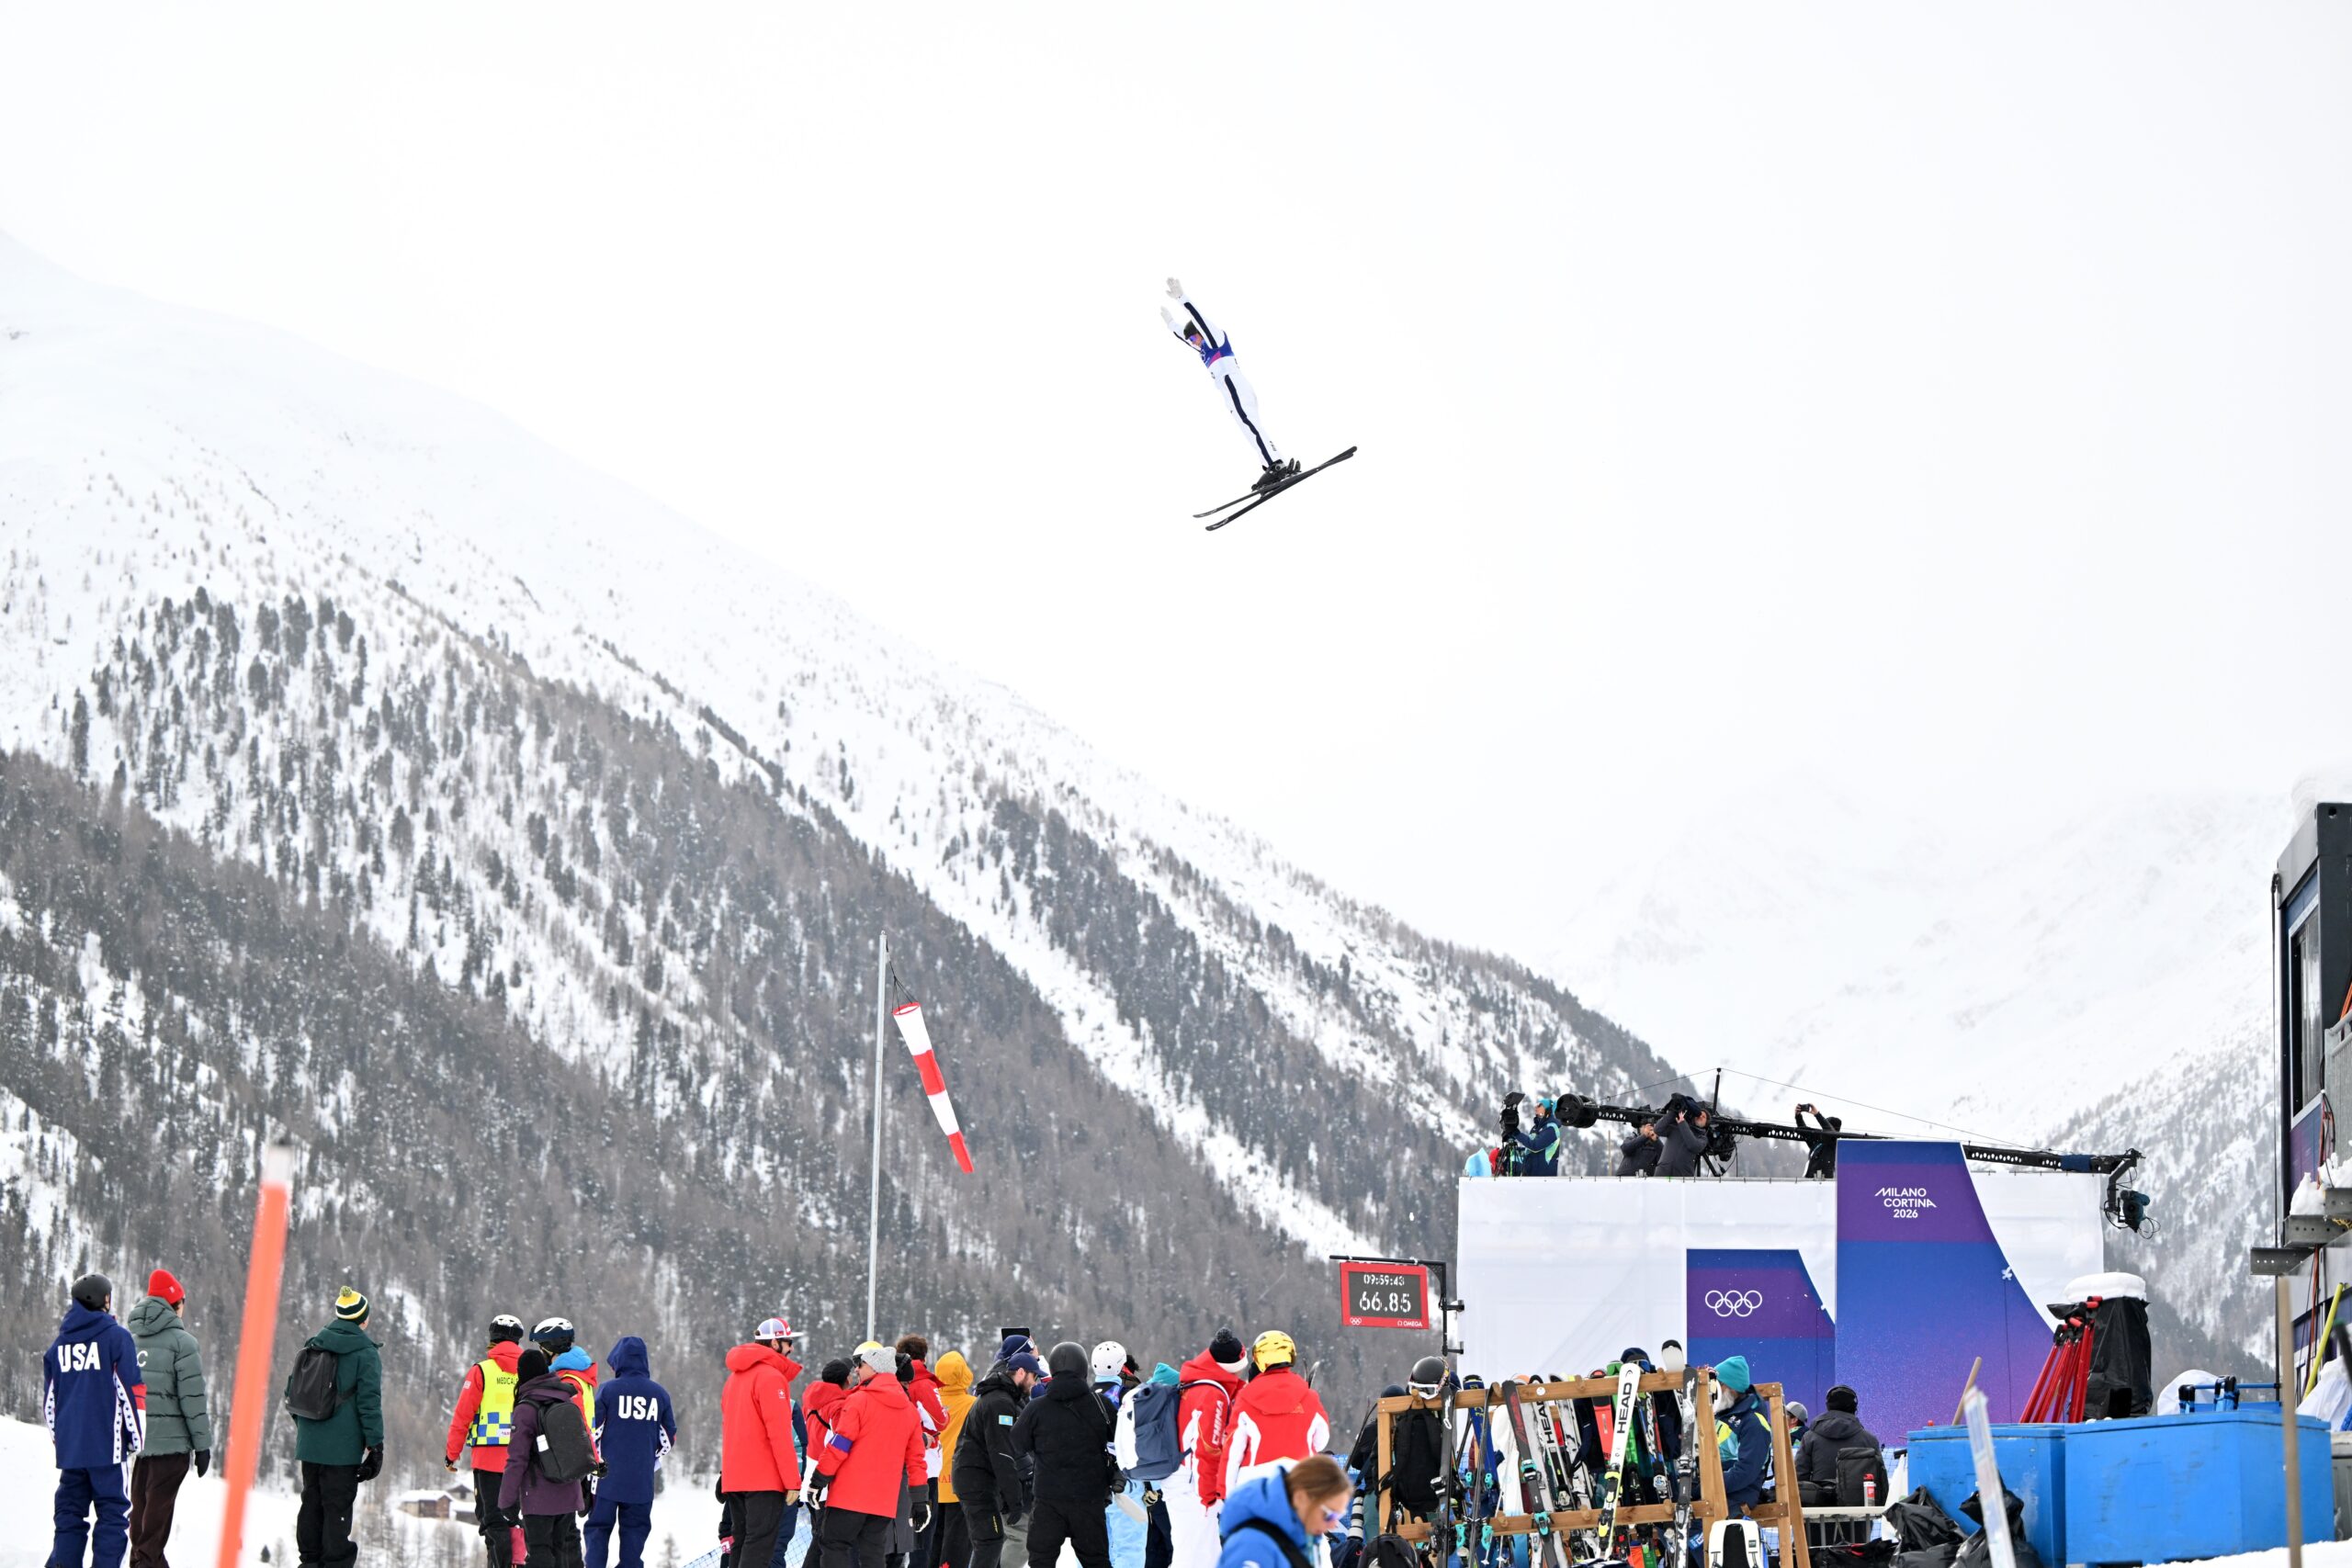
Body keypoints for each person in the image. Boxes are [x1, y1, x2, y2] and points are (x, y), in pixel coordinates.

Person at [1160, 279, 1300, 491]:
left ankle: (1276, 464)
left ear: (1200, 333)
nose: (1194, 342)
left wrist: (1182, 298)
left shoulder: (1215, 339)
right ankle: (1273, 463)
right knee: (1249, 426)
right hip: (1231, 388)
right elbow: (1185, 337)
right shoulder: (1204, 349)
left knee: (1249, 423)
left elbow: (1200, 320)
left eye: (1195, 338)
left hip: (1233, 383)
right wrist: (1171, 324)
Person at [46, 1274, 144, 1568]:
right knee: (113, 1514)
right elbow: (131, 1391)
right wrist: (136, 1439)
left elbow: (50, 1403)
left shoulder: (58, 1346)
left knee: (69, 1514)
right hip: (107, 1449)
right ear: (105, 1300)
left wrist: (63, 1441)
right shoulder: (117, 1338)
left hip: (72, 1451)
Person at [291, 1288, 386, 1568]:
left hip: (310, 1446)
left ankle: (308, 1562)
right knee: (337, 1510)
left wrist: (309, 1431)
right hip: (343, 1451)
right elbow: (369, 1403)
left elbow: (292, 1393)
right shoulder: (366, 1354)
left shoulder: (313, 1345)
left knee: (311, 1503)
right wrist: (376, 1446)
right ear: (363, 1320)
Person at [812, 1344, 927, 1568]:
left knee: (834, 1545)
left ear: (875, 1368)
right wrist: (920, 1500)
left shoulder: (859, 1401)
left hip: (848, 1495)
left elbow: (840, 1445)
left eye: (861, 1365)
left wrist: (818, 1480)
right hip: (884, 1500)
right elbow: (916, 1460)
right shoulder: (909, 1410)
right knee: (873, 1554)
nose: (856, 1369)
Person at [127, 1269, 211, 1568]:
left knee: (141, 1518)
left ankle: (140, 1562)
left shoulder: (131, 1341)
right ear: (176, 1303)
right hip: (172, 1448)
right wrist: (202, 1445)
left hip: (141, 1444)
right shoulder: (182, 1343)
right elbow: (193, 1399)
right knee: (154, 1527)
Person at [1010, 1343, 1117, 1568]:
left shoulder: (1036, 1408)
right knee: (1096, 1561)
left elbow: (1017, 1443)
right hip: (1089, 1498)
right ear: (1083, 1368)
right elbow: (1119, 1441)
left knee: (1041, 1561)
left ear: (1053, 1369)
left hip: (1048, 1498)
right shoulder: (1101, 1405)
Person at [445, 1315, 528, 1568]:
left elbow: (463, 1415)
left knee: (493, 1520)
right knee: (513, 1518)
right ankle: (517, 1562)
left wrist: (452, 1453)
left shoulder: (482, 1371)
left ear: (492, 1338)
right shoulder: (529, 1372)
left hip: (488, 1458)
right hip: (522, 1457)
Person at [721, 1319, 805, 1568]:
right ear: (775, 1342)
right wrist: (792, 1481)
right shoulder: (771, 1377)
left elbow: (731, 1429)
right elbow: (779, 1434)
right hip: (763, 1479)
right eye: (789, 1342)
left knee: (741, 1541)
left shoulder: (734, 1378)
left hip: (736, 1478)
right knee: (760, 1546)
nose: (791, 1349)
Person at [590, 1336, 676, 1568]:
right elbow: (668, 1439)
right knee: (634, 1536)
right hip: (640, 1481)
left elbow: (593, 1432)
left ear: (619, 1361)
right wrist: (646, 1455)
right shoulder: (660, 1394)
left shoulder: (608, 1390)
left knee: (598, 1531)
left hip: (606, 1479)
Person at [953, 1350, 1042, 1568]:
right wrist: (1014, 1499)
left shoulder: (1002, 1397)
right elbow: (1002, 1454)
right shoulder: (1000, 1402)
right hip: (975, 1481)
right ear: (1021, 1373)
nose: (1035, 1383)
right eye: (1034, 1376)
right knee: (989, 1541)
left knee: (992, 1540)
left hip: (977, 1479)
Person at [1165, 1332, 1247, 1568]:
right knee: (1191, 1557)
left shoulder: (1198, 1382)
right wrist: (1209, 1496)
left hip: (1184, 1479)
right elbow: (1208, 1449)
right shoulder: (1213, 1394)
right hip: (1192, 1485)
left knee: (1206, 1555)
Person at [502, 1348, 589, 1568]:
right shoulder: (566, 1399)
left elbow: (517, 1460)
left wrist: (506, 1501)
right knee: (561, 1555)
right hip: (569, 1493)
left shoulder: (526, 1409)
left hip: (538, 1498)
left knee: (540, 1555)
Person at [1224, 1334, 1329, 1495]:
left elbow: (1234, 1451)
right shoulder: (1309, 1397)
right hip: (1301, 1479)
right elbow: (1321, 1441)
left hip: (1256, 1481)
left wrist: (1229, 1493)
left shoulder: (1245, 1399)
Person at [1214, 1456, 1351, 1568]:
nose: (1333, 1525)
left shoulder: (1303, 1540)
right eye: (1329, 1515)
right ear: (1301, 1498)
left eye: (1338, 1516)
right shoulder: (1254, 1546)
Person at [1794, 1386, 1884, 1507]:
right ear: (1854, 1408)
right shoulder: (1870, 1440)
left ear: (1828, 1406)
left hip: (1817, 1510)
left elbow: (1799, 1476)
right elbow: (1880, 1481)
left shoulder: (1809, 1437)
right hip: (1859, 1511)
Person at [1708, 1358, 1771, 1512]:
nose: (1713, 1391)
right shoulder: (1719, 1416)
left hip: (1735, 1497)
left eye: (1717, 1385)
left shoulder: (1753, 1423)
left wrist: (1706, 1485)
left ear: (1732, 1387)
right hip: (1716, 1492)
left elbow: (1745, 1472)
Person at [933, 1353, 977, 1568]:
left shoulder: (930, 1402)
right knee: (957, 1547)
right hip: (960, 1485)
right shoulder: (973, 1405)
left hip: (931, 1483)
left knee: (932, 1543)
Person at [1656, 1103, 1712, 1179]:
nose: (1700, 1116)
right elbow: (1657, 1129)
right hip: (1663, 1171)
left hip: (1682, 1176)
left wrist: (1682, 1123)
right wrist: (1673, 1112)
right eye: (1699, 1114)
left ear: (1706, 1123)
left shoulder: (1703, 1138)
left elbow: (1694, 1146)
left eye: (1704, 1116)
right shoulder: (1676, 1126)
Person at [1795, 1105, 1843, 1180]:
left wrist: (1817, 1114)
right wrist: (1798, 1116)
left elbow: (1829, 1131)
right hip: (1809, 1182)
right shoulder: (1818, 1144)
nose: (1822, 1130)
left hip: (1824, 1183)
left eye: (1824, 1128)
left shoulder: (1833, 1144)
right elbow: (1805, 1132)